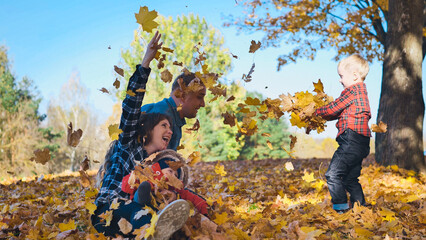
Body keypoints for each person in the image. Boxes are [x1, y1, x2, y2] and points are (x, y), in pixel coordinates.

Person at [91, 32, 191, 239]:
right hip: (108, 209)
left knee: (158, 218)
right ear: (147, 129)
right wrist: (146, 63)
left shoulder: (153, 164)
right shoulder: (128, 144)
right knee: (143, 215)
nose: (170, 131)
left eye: (171, 127)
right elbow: (131, 106)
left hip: (134, 209)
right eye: (164, 125)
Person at [314, 54, 371, 213]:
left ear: (354, 76)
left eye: (341, 76)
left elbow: (332, 108)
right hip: (361, 143)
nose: (340, 80)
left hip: (351, 140)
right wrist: (322, 116)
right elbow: (335, 113)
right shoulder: (361, 93)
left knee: (332, 175)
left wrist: (315, 112)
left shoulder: (352, 91)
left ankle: (340, 209)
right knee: (350, 179)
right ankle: (360, 209)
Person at [121, 151, 209, 216]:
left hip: (161, 213)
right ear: (159, 169)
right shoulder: (146, 177)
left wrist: (206, 210)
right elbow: (125, 186)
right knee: (143, 190)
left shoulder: (176, 190)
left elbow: (194, 199)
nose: (173, 176)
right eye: (170, 171)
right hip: (139, 209)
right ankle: (142, 198)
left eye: (176, 175)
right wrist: (150, 186)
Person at [141, 66, 206, 150]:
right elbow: (154, 160)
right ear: (182, 95)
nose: (203, 104)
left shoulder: (172, 116)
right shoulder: (162, 116)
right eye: (199, 97)